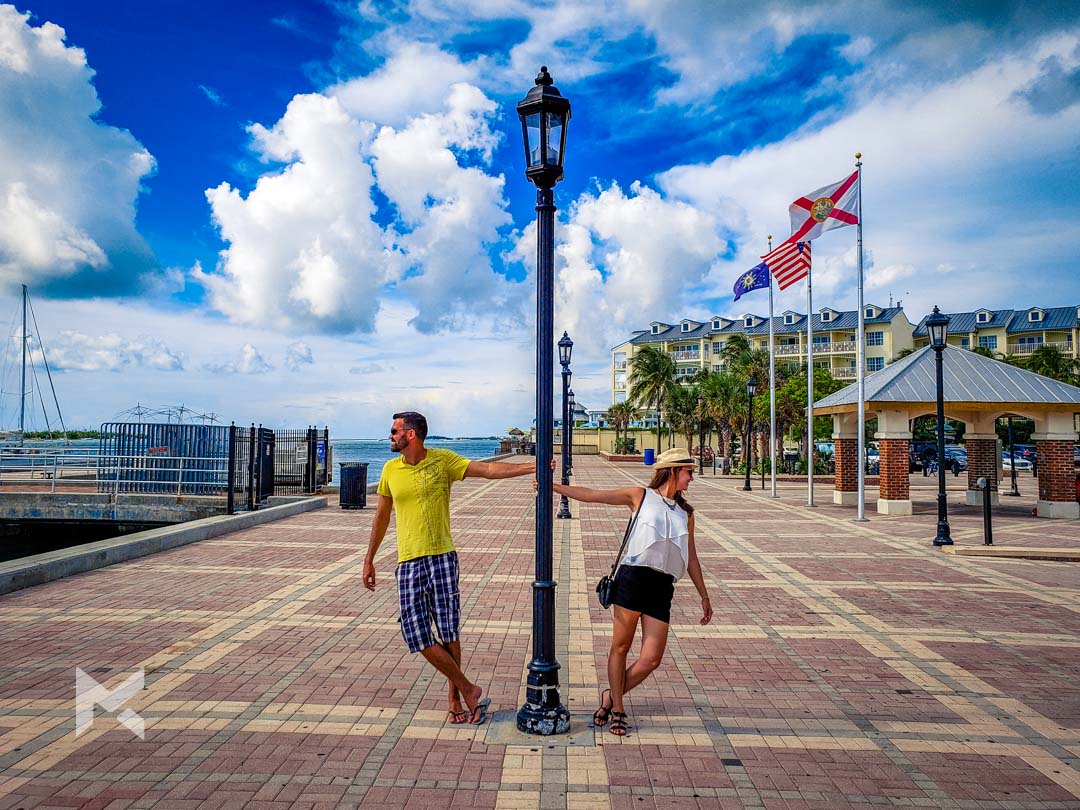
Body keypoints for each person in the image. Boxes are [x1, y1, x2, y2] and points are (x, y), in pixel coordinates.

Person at [363, 411, 536, 725]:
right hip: (408, 561)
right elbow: (382, 517)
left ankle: (455, 698)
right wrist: (369, 559)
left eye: (394, 431)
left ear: (411, 434)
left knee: (448, 629)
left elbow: (488, 470)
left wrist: (531, 467)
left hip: (442, 557)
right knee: (414, 633)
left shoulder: (443, 460)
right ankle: (469, 688)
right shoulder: (390, 470)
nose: (390, 436)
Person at [547, 447, 712, 736]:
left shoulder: (686, 513)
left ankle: (611, 696)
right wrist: (553, 486)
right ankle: (619, 709)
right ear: (673, 471)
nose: (691, 478)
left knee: (651, 659)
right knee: (620, 647)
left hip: (662, 587)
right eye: (689, 472)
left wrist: (704, 595)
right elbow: (594, 494)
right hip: (633, 577)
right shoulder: (640, 496)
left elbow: (692, 556)